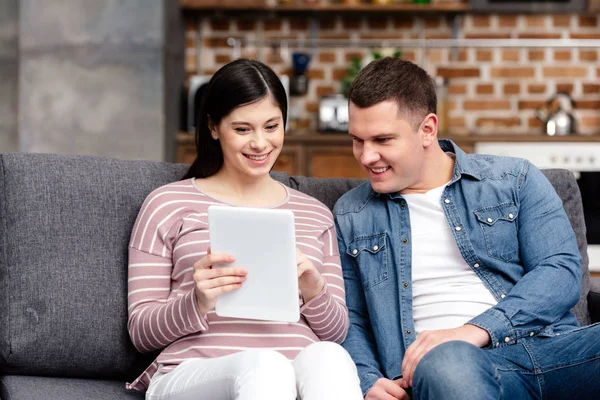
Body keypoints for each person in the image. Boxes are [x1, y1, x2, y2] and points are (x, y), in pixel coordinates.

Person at [333, 56, 600, 400]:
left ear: (427, 129)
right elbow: (349, 316)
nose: (366, 156)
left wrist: (476, 329)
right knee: (448, 364)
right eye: (358, 140)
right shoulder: (353, 214)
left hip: (555, 352)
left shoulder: (512, 180)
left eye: (382, 140)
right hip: (452, 368)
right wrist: (367, 378)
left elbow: (560, 272)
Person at [126, 59, 362, 400]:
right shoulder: (166, 204)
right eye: (242, 129)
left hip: (296, 376)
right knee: (266, 366)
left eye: (271, 126)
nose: (260, 143)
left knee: (330, 356)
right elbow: (140, 332)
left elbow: (336, 332)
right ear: (213, 127)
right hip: (193, 372)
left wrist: (314, 290)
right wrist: (197, 300)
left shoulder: (315, 214)